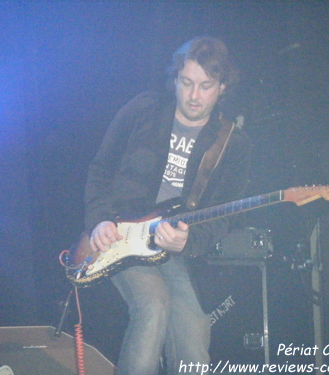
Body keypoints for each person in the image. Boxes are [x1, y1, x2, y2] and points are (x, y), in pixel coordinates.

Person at [83, 36, 251, 375]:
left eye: (206, 86)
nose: (194, 95)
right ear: (174, 79)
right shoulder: (142, 110)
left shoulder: (233, 144)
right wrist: (99, 220)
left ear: (222, 88)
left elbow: (225, 213)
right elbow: (100, 169)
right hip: (120, 236)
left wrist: (191, 241)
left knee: (193, 338)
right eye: (187, 83)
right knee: (153, 305)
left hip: (173, 253)